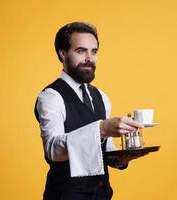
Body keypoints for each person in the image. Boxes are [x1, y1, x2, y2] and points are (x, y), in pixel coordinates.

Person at [34, 22, 146, 200]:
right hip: (66, 195)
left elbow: (104, 147)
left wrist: (118, 159)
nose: (89, 58)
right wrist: (101, 128)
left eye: (94, 51)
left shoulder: (101, 96)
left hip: (101, 193)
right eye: (81, 51)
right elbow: (53, 150)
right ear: (62, 53)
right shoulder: (51, 96)